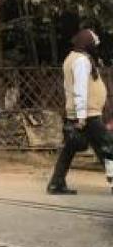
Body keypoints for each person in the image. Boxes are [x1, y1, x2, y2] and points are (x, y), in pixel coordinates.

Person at [48, 29, 113, 195]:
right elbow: (79, 90)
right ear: (87, 43)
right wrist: (82, 117)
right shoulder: (82, 61)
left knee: (69, 150)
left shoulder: (71, 58)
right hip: (87, 115)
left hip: (79, 113)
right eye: (93, 43)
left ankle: (56, 183)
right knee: (108, 147)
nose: (95, 46)